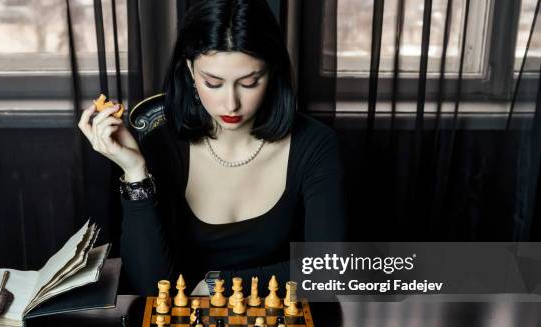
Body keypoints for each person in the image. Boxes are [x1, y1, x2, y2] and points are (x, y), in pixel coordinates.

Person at [78, 0, 346, 295]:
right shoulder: (162, 146)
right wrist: (134, 171)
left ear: (272, 73)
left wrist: (219, 286)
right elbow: (152, 289)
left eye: (249, 82)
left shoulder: (315, 145)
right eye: (213, 83)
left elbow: (327, 272)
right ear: (191, 70)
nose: (231, 103)